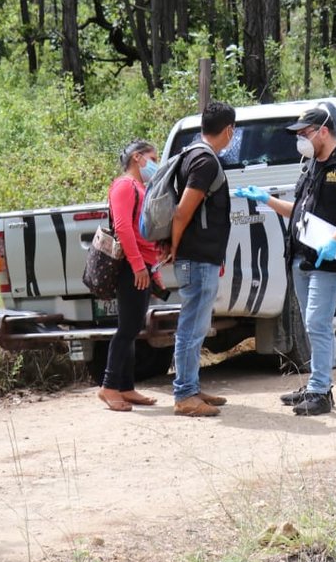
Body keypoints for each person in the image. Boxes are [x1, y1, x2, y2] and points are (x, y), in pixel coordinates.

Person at [234, 107, 336, 416]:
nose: (301, 140)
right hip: (301, 256)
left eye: (305, 133)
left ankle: (321, 391)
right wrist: (266, 199)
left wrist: (335, 243)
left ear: (323, 131)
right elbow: (299, 210)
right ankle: (315, 384)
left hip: (328, 258)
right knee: (311, 325)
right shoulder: (311, 167)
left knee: (317, 323)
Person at [159, 101, 236, 417]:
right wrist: (174, 246)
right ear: (229, 130)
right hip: (196, 256)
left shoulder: (192, 154)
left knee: (196, 326)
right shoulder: (204, 161)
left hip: (200, 256)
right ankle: (184, 395)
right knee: (191, 327)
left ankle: (191, 386)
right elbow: (182, 212)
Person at [97, 139, 163, 412]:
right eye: (153, 157)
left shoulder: (140, 187)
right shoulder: (125, 185)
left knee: (133, 326)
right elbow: (123, 228)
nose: (155, 163)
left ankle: (126, 387)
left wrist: (153, 267)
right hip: (131, 267)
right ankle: (110, 386)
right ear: (138, 158)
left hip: (143, 265)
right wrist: (137, 265)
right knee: (127, 328)